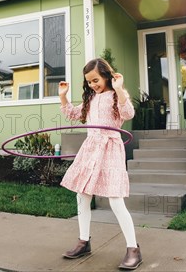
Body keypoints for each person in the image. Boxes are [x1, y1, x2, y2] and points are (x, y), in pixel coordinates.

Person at [58, 58, 142, 270]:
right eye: (88, 82)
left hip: (110, 149)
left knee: (115, 199)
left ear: (106, 76)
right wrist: (63, 97)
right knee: (82, 195)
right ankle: (83, 241)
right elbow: (73, 114)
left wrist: (120, 89)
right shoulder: (91, 99)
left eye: (95, 80)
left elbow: (128, 113)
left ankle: (133, 249)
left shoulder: (115, 96)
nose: (92, 85)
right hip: (91, 149)